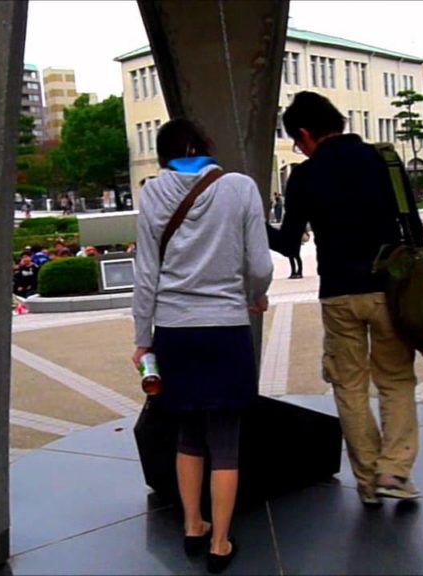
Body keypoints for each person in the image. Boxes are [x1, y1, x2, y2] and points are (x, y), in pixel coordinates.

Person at [132, 119, 272, 573]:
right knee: (225, 439)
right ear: (206, 145)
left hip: (175, 330)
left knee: (188, 432)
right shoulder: (240, 188)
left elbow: (145, 275)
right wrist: (255, 294)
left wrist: (142, 339)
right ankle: (220, 542)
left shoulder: (153, 193)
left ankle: (193, 525)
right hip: (226, 328)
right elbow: (260, 265)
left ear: (163, 155)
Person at [268, 92, 419, 505]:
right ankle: (394, 470)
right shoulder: (384, 160)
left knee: (349, 386)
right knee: (396, 380)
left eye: (297, 142)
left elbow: (287, 243)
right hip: (389, 289)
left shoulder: (304, 176)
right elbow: (413, 228)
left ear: (304, 134)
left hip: (338, 295)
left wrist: (252, 224)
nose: (299, 149)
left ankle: (368, 480)